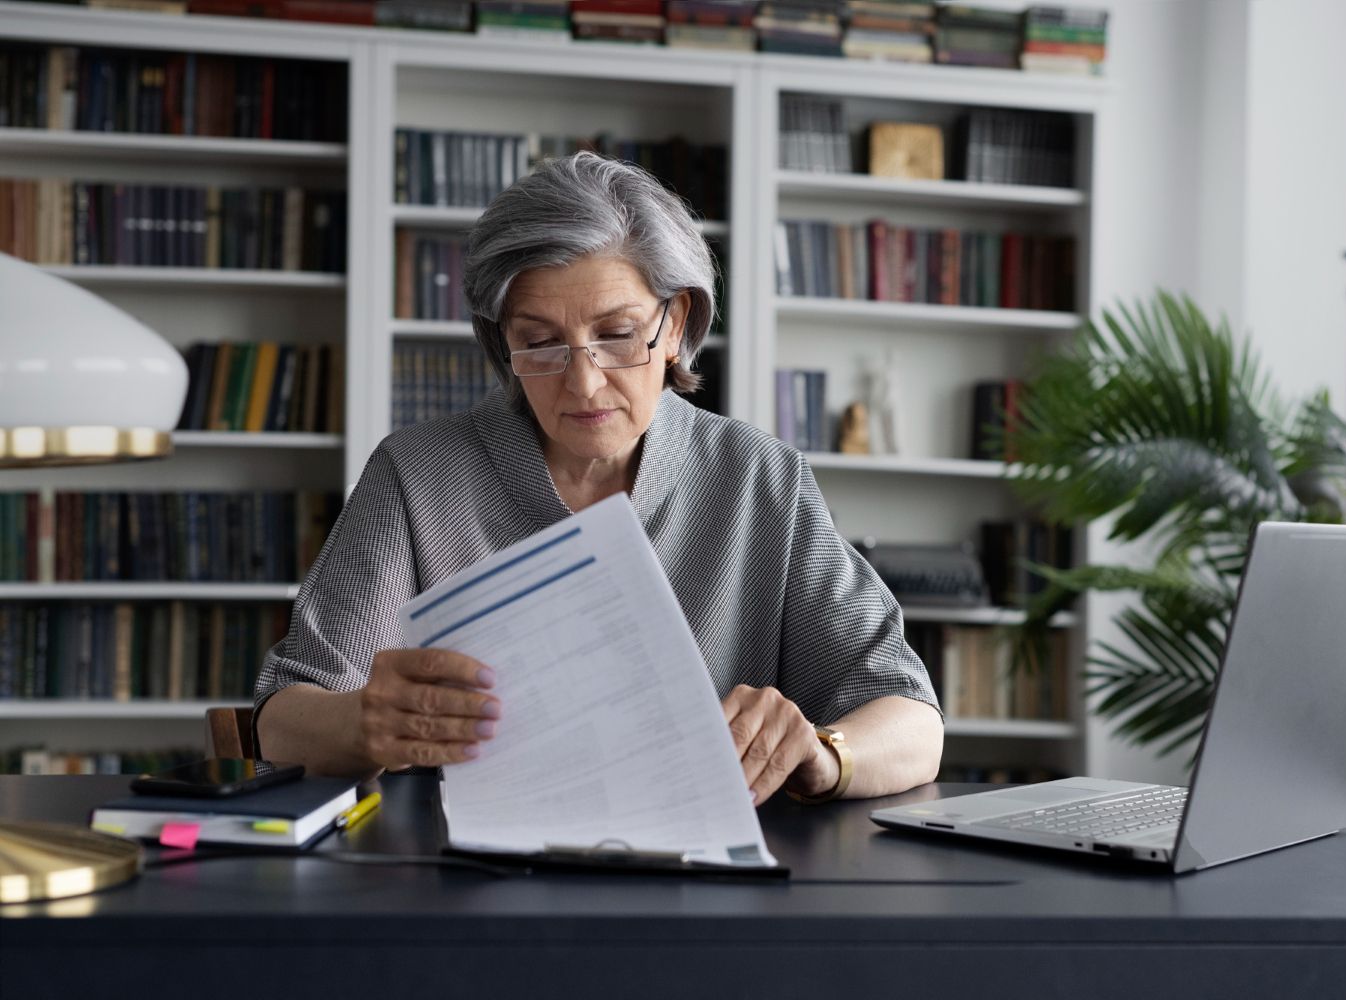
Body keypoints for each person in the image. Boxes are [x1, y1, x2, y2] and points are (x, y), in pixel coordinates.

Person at [254, 152, 942, 804]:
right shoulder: (417, 473)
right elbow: (282, 719)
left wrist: (821, 754)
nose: (583, 383)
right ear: (504, 343)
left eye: (617, 333)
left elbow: (914, 722)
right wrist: (361, 724)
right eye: (540, 341)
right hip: (462, 876)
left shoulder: (761, 479)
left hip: (705, 877)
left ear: (676, 324)